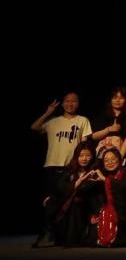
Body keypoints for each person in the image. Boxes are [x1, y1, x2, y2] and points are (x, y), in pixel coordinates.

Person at [32, 92, 93, 223]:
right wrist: (48, 112)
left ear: (78, 104)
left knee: (69, 201)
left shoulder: (83, 120)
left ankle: (66, 230)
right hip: (52, 165)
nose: (70, 104)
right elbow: (34, 127)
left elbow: (84, 145)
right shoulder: (53, 121)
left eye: (74, 101)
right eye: (67, 101)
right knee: (50, 200)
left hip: (71, 167)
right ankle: (49, 229)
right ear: (63, 103)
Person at [86, 147, 126, 248]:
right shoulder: (102, 175)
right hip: (106, 212)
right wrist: (95, 213)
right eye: (106, 160)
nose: (110, 162)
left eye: (113, 159)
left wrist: (106, 180)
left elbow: (125, 190)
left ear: (120, 160)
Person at [47, 141, 98, 247]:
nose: (84, 159)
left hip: (87, 206)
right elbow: (61, 187)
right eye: (81, 155)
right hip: (68, 205)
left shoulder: (95, 171)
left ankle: (73, 238)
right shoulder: (70, 170)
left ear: (93, 156)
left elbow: (89, 192)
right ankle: (59, 235)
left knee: (76, 203)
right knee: (55, 201)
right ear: (76, 156)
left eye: (88, 155)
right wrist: (78, 182)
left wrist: (80, 183)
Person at [89, 86, 126, 160]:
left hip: (120, 156)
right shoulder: (102, 116)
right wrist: (108, 130)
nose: (117, 100)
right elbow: (93, 136)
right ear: (110, 99)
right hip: (100, 156)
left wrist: (119, 158)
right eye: (114, 98)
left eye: (121, 98)